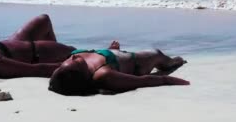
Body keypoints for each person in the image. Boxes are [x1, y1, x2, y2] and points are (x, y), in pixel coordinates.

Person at [49, 40, 189, 95]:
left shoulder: (66, 67)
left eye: (72, 57)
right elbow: (143, 81)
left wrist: (110, 51)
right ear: (81, 72)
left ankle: (112, 51)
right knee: (160, 56)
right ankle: (177, 61)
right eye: (75, 61)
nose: (72, 57)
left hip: (110, 54)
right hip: (137, 63)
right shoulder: (102, 74)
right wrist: (167, 80)